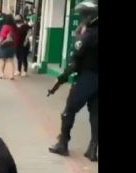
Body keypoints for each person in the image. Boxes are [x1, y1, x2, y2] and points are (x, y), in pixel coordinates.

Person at [49, 0, 98, 162]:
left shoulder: (88, 35)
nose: (82, 18)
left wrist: (61, 78)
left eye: (83, 15)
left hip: (87, 77)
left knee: (69, 111)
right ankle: (93, 149)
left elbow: (76, 61)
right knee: (95, 114)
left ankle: (63, 144)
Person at [0, 14, 17, 80]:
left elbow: (1, 37)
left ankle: (1, 74)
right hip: (12, 46)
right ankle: (12, 75)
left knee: (3, 61)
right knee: (11, 61)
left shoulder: (5, 26)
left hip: (5, 45)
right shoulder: (14, 27)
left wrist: (1, 43)